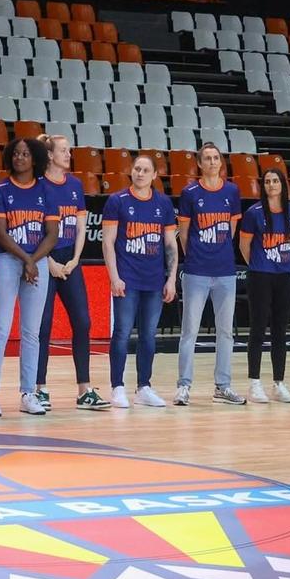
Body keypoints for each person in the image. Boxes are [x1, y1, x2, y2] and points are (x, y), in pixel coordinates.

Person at [0, 136, 60, 417]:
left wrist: (33, 261)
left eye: (25, 154)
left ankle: (28, 393)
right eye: (16, 154)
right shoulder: (1, 189)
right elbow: (1, 234)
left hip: (35, 263)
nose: (19, 158)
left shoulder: (46, 192)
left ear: (35, 158)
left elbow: (52, 234)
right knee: (0, 329)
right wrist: (27, 260)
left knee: (31, 332)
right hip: (8, 261)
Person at [101, 153, 178, 409]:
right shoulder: (117, 201)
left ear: (155, 175)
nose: (140, 173)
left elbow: (170, 245)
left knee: (148, 335)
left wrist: (171, 279)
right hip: (127, 279)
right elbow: (108, 242)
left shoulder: (164, 204)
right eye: (137, 169)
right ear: (131, 172)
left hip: (154, 281)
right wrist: (114, 277)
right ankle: (117, 387)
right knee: (122, 333)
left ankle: (144, 386)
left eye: (146, 170)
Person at [175, 142, 244, 406]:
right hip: (197, 270)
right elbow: (184, 232)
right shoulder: (190, 192)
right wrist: (196, 255)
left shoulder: (232, 191)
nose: (213, 162)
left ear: (221, 163)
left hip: (225, 270)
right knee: (189, 330)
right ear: (200, 164)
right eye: (208, 158)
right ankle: (183, 386)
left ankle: (223, 386)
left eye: (216, 158)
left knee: (226, 332)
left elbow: (232, 229)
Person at [37, 135, 99, 410]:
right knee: (43, 325)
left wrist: (75, 259)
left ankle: (84, 389)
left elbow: (81, 225)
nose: (68, 154)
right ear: (49, 155)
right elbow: (34, 227)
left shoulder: (75, 184)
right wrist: (47, 260)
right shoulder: (39, 185)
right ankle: (38, 388)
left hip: (70, 261)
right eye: (63, 150)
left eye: (69, 150)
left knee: (83, 322)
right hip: (44, 260)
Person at [237, 164, 290, 402]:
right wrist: (260, 263)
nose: (271, 185)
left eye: (275, 181)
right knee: (257, 329)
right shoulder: (254, 213)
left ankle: (279, 383)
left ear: (282, 185)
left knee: (280, 331)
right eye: (267, 182)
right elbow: (244, 246)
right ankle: (254, 383)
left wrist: (280, 262)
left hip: (283, 276)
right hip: (260, 276)